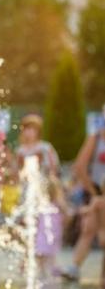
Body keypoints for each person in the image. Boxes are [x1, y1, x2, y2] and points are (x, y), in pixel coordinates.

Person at [62, 104, 105, 281]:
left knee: (96, 231)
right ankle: (75, 267)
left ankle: (79, 268)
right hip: (96, 191)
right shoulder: (96, 138)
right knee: (90, 229)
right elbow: (79, 166)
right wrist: (94, 192)